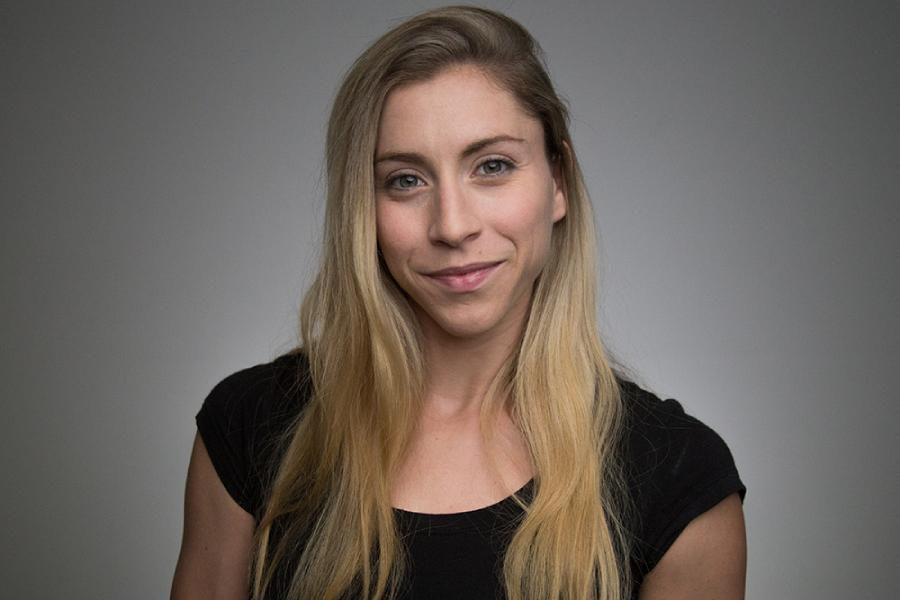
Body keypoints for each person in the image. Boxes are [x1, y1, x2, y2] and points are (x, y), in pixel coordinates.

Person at [170, 5, 746, 600]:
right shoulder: (249, 426)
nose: (451, 225)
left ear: (558, 182)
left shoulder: (679, 478)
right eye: (405, 180)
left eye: (492, 166)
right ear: (362, 207)